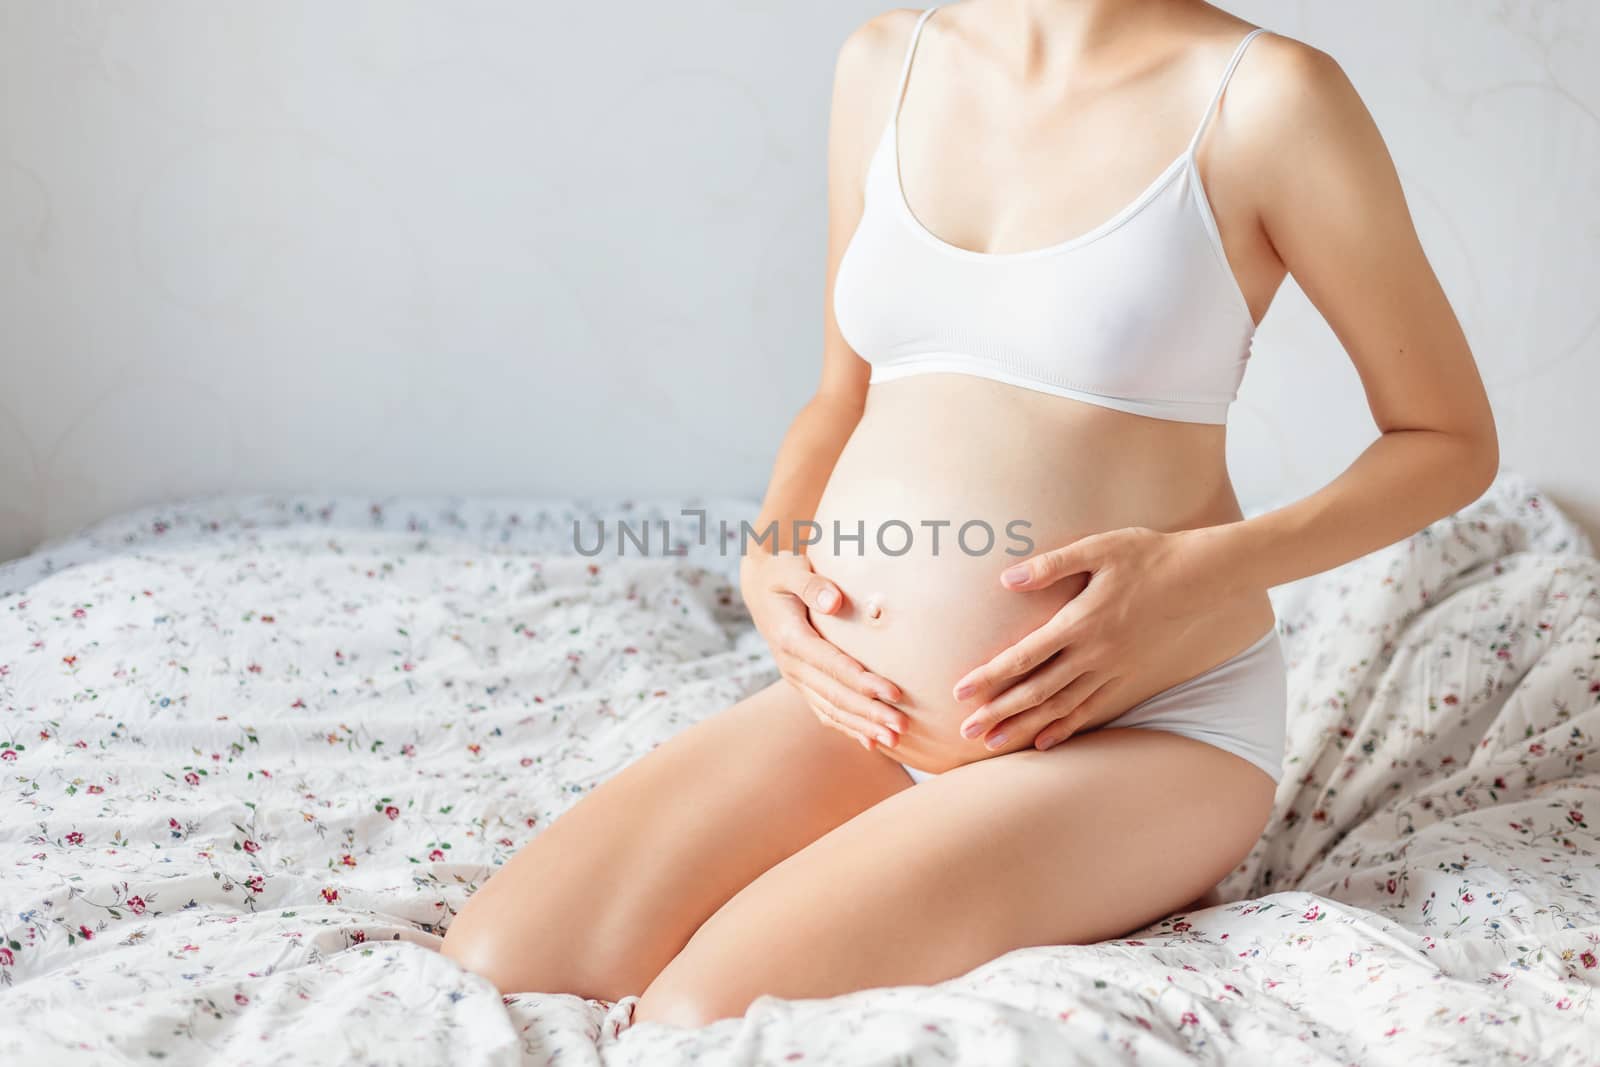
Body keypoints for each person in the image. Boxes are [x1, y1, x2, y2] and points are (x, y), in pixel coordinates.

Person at [439, 0, 1498, 1028]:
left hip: (1135, 728)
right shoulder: (885, 62)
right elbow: (839, 397)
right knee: (501, 960)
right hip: (868, 713)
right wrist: (771, 556)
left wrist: (1197, 570)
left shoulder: (1264, 95)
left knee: (703, 1015)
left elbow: (1446, 441)